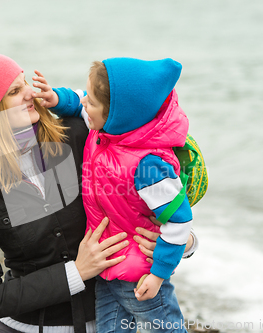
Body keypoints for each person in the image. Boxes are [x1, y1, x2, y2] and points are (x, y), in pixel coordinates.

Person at [0, 49, 161, 333]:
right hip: (23, 326)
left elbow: (158, 182)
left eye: (25, 83)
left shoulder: (80, 136)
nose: (30, 94)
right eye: (14, 91)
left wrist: (181, 242)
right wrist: (77, 272)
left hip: (110, 319)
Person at [34, 57, 195, 333]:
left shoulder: (147, 165)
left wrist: (159, 274)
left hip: (140, 275)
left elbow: (179, 221)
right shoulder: (108, 129)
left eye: (92, 102)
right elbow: (78, 100)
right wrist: (56, 98)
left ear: (117, 114)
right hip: (108, 268)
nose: (85, 103)